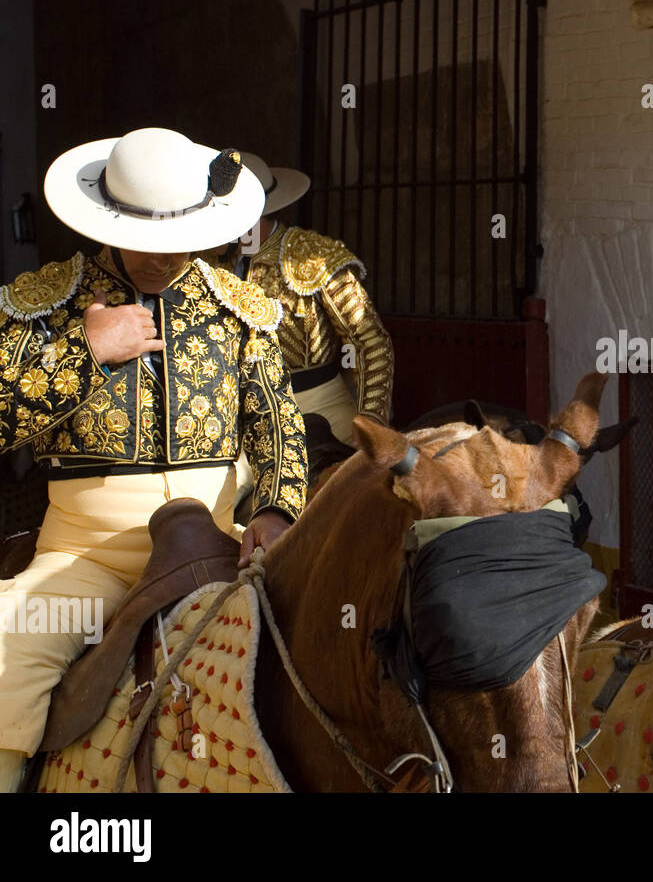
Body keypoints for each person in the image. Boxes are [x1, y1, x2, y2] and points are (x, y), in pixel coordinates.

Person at [0, 127, 308, 792]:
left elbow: (278, 424)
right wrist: (83, 354)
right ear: (107, 219)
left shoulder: (240, 309)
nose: (161, 261)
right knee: (5, 656)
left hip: (222, 551)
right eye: (145, 240)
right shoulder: (46, 306)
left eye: (177, 244)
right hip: (84, 567)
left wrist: (280, 511)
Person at [204, 152, 394, 448]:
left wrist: (369, 418)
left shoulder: (312, 255)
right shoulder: (207, 261)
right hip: (230, 410)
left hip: (320, 409)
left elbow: (369, 341)